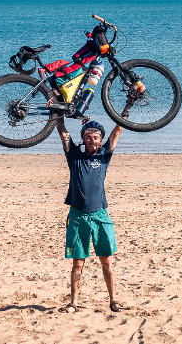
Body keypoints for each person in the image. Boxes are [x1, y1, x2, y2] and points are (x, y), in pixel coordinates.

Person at [56, 113, 130, 313]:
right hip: (78, 216)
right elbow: (62, 131)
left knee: (106, 261)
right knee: (78, 263)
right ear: (83, 138)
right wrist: (56, 110)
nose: (91, 140)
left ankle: (113, 301)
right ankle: (74, 303)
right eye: (88, 136)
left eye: (96, 137)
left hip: (100, 215)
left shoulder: (104, 155)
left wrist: (127, 109)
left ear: (100, 139)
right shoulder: (74, 155)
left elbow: (117, 132)